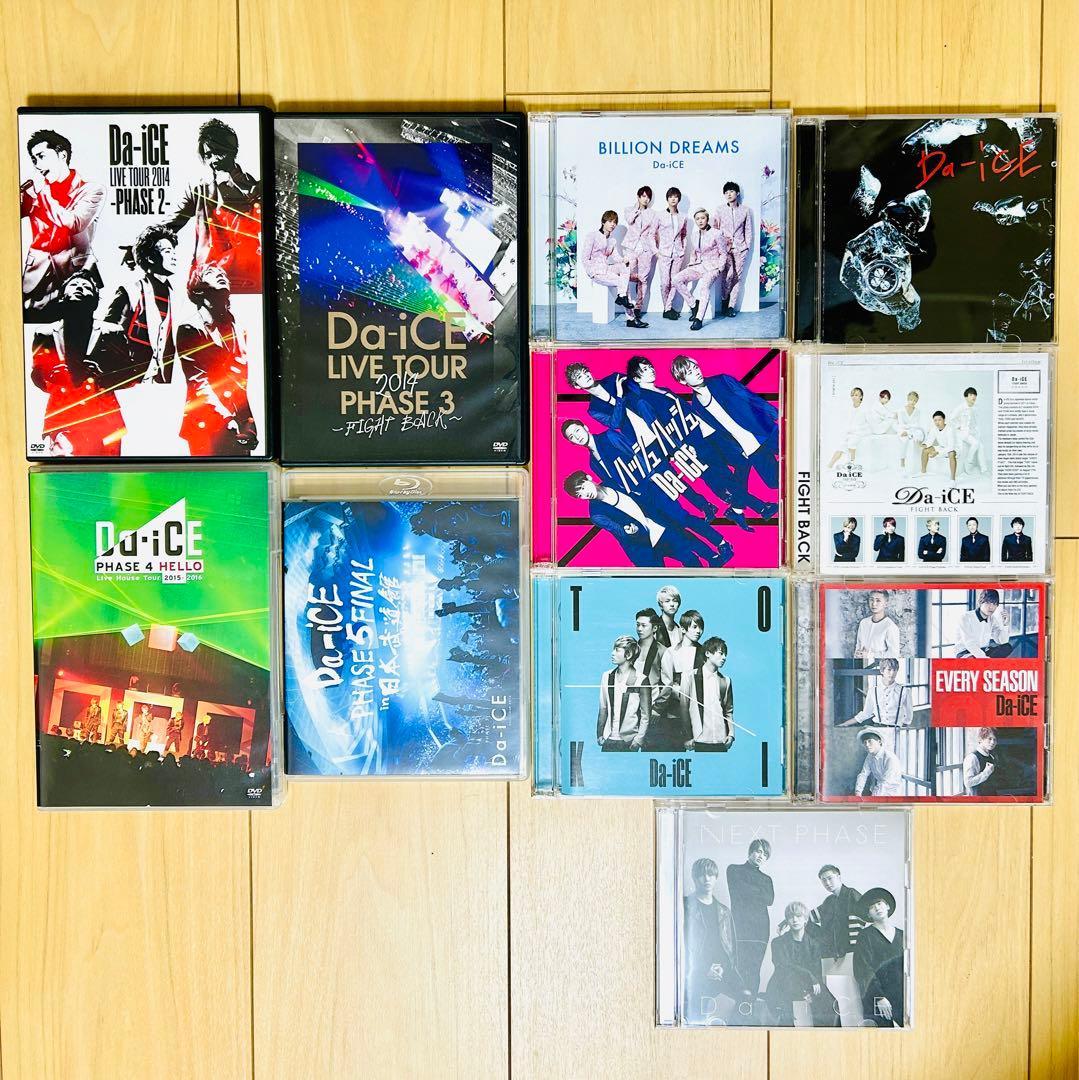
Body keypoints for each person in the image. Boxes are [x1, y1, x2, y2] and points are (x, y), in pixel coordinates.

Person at [29, 270, 125, 455]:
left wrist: (103, 374)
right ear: (63, 297)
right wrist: (50, 376)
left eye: (86, 286)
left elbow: (129, 372)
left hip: (105, 420)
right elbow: (36, 374)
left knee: (107, 470)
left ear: (95, 300)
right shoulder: (44, 333)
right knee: (66, 470)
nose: (80, 288)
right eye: (74, 285)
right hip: (62, 418)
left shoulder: (113, 331)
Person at [162, 117, 262, 292]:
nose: (213, 160)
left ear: (232, 151)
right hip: (209, 279)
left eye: (219, 152)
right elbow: (172, 223)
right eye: (208, 155)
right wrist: (143, 244)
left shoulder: (255, 187)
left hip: (247, 276)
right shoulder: (199, 190)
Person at [563, 471, 734, 568]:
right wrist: (629, 531)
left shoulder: (613, 481)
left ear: (589, 478)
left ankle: (713, 562)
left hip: (658, 527)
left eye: (583, 487)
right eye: (580, 495)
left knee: (690, 556)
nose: (585, 494)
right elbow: (618, 530)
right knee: (674, 576)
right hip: (644, 547)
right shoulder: (596, 514)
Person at [21, 128, 106, 320]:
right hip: (36, 278)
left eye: (41, 156)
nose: (37, 165)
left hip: (76, 277)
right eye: (33, 159)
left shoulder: (91, 190)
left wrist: (43, 194)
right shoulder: (32, 191)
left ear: (62, 155)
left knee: (75, 330)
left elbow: (74, 223)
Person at [176, 264, 258, 456]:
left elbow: (240, 385)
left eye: (223, 274)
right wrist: (225, 419)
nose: (221, 275)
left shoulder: (238, 329)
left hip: (237, 425)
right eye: (212, 273)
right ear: (198, 289)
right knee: (210, 474)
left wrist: (249, 424)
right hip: (207, 423)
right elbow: (198, 382)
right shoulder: (190, 328)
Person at [670, 353, 781, 491]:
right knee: (773, 481)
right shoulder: (696, 405)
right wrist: (738, 449)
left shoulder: (722, 380)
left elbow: (749, 397)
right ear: (682, 381)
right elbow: (720, 431)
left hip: (764, 430)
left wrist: (775, 414)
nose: (697, 372)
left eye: (696, 367)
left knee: (794, 455)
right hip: (748, 446)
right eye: (690, 372)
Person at [101, 223, 181, 385]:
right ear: (150, 258)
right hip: (130, 383)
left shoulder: (178, 298)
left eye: (174, 251)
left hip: (164, 385)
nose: (174, 256)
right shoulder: (129, 291)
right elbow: (108, 335)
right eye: (167, 251)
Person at [683, 857, 751, 1024]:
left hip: (723, 971)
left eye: (711, 875)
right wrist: (705, 968)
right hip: (695, 971)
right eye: (702, 875)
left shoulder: (724, 911)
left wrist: (723, 968)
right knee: (696, 1011)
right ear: (694, 878)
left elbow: (730, 949)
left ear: (716, 878)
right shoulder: (684, 906)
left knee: (746, 998)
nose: (707, 879)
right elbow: (682, 946)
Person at [765, 902, 839, 1027]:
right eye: (791, 917)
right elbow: (783, 967)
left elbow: (816, 973)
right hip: (783, 984)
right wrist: (807, 981)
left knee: (830, 1005)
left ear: (805, 920)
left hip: (808, 984)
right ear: (787, 920)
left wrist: (810, 992)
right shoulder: (778, 942)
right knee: (788, 1017)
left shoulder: (814, 945)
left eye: (798, 916)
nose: (795, 920)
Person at [809, 864, 865, 1026]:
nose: (827, 883)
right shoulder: (829, 901)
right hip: (832, 954)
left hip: (849, 953)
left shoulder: (851, 894)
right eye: (823, 880)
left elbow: (862, 920)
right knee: (838, 994)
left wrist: (851, 951)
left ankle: (856, 1027)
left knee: (850, 993)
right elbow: (807, 917)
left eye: (830, 878)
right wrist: (787, 921)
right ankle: (845, 1027)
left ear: (839, 877)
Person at [726, 839, 773, 998]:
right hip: (740, 926)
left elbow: (769, 899)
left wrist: (750, 890)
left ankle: (750, 1003)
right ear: (750, 852)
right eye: (758, 851)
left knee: (754, 968)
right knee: (739, 966)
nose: (761, 856)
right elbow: (738, 891)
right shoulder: (734, 870)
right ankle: (739, 1004)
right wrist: (758, 891)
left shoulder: (767, 878)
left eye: (765, 854)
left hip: (761, 929)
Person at [581, 211, 645, 328]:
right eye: (610, 221)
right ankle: (630, 318)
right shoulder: (592, 236)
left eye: (615, 222)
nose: (613, 224)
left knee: (624, 267)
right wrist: (591, 272)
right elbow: (584, 258)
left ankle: (622, 297)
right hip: (596, 272)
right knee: (623, 283)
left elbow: (616, 258)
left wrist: (624, 259)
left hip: (606, 268)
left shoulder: (612, 240)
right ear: (603, 222)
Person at [853, 888, 905, 1027]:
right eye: (871, 907)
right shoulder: (865, 937)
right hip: (877, 997)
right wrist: (879, 997)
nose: (877, 908)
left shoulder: (902, 935)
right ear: (868, 914)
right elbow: (863, 970)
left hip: (902, 995)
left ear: (887, 906)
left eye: (879, 903)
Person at [673, 208, 729, 331]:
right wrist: (691, 264)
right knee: (676, 279)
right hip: (698, 265)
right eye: (697, 219)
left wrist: (720, 268)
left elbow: (723, 253)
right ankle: (694, 305)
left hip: (713, 267)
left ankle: (698, 319)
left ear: (707, 219)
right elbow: (694, 252)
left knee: (704, 288)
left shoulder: (717, 233)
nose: (700, 221)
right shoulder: (694, 235)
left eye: (703, 218)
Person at [659, 610, 707, 749]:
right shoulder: (671, 651)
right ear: (683, 629)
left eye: (701, 627)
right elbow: (666, 682)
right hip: (674, 711)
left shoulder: (704, 653)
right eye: (694, 627)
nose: (699, 631)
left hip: (698, 711)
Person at [596, 636, 651, 750]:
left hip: (629, 741)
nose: (612, 653)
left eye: (617, 650)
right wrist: (600, 734)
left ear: (628, 654)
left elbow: (645, 715)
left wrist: (638, 740)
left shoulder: (641, 679)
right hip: (608, 739)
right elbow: (603, 708)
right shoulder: (606, 676)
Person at [681, 637, 734, 751]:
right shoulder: (689, 676)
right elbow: (684, 708)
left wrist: (731, 735)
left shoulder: (726, 681)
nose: (724, 657)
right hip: (699, 740)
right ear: (708, 653)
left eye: (725, 654)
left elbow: (728, 711)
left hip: (721, 740)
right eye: (721, 653)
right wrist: (687, 736)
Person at [713, 181, 752, 317]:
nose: (728, 194)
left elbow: (748, 230)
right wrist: (719, 246)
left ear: (737, 193)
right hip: (725, 248)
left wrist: (747, 246)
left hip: (741, 248)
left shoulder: (745, 210)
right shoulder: (720, 210)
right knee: (728, 276)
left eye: (731, 191)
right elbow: (715, 229)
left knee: (737, 277)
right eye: (726, 192)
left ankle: (731, 306)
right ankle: (724, 300)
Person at [839, 658, 913, 729]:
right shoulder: (873, 691)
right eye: (889, 670)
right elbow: (866, 713)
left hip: (896, 729)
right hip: (878, 729)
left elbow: (908, 716)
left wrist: (902, 730)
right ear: (882, 671)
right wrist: (845, 724)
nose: (892, 673)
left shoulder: (904, 691)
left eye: (895, 670)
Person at [622, 185, 659, 313]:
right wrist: (637, 209)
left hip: (646, 249)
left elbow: (653, 233)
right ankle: (627, 303)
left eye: (648, 197)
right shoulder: (629, 210)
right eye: (643, 196)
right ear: (638, 197)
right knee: (626, 274)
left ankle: (638, 307)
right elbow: (629, 220)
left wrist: (654, 249)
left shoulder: (653, 214)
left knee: (643, 279)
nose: (646, 199)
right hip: (631, 247)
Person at [657, 187, 688, 319]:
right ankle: (667, 308)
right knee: (665, 283)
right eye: (670, 196)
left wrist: (683, 249)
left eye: (675, 196)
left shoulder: (683, 217)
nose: (673, 199)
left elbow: (684, 234)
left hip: (678, 254)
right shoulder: (660, 215)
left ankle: (668, 309)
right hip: (664, 253)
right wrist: (656, 251)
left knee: (675, 281)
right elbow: (652, 234)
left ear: (678, 199)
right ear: (667, 199)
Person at [955, 589, 1012, 658]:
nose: (991, 607)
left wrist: (1005, 624)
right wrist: (984, 658)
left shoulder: (992, 619)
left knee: (1007, 647)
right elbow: (969, 643)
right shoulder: (966, 617)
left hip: (984, 650)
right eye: (988, 603)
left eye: (994, 604)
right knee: (972, 658)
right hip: (965, 652)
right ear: (980, 602)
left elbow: (1002, 641)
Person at [827, 387, 871, 468]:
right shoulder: (850, 408)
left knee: (851, 443)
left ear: (861, 396)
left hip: (859, 433)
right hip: (849, 433)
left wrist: (858, 430)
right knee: (840, 446)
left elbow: (869, 423)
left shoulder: (865, 409)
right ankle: (829, 465)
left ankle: (852, 464)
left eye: (856, 395)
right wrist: (847, 431)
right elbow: (847, 422)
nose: (854, 397)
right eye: (852, 395)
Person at [949, 386, 987, 476]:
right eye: (971, 395)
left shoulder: (976, 408)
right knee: (976, 443)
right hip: (963, 433)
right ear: (966, 397)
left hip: (972, 432)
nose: (973, 396)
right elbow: (951, 418)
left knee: (981, 446)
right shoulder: (961, 407)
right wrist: (959, 426)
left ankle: (984, 469)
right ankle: (968, 463)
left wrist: (977, 432)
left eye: (975, 395)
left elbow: (976, 422)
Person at [853, 590, 901, 661]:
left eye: (878, 600)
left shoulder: (890, 626)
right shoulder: (863, 623)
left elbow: (894, 654)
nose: (874, 604)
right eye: (871, 600)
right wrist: (857, 654)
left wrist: (870, 655)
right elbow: (858, 646)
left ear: (886, 604)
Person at [853, 730, 904, 796]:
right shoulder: (870, 756)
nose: (867, 745)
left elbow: (885, 782)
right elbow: (863, 774)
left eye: (870, 741)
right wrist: (858, 792)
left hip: (893, 793)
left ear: (879, 742)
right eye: (865, 742)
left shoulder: (890, 758)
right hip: (879, 790)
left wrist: (874, 797)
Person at [963, 727, 1001, 796]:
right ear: (981, 739)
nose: (992, 742)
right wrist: (986, 773)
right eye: (989, 739)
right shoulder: (972, 758)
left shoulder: (991, 757)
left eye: (995, 739)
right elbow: (968, 782)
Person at [920, 410, 957, 480]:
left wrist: (937, 452)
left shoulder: (950, 429)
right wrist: (925, 445)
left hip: (953, 449)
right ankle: (923, 472)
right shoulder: (934, 429)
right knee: (925, 450)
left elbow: (951, 447)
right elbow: (930, 440)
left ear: (944, 420)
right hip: (942, 447)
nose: (937, 422)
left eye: (939, 420)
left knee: (951, 453)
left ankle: (952, 479)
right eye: (935, 420)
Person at [895, 390, 926, 470]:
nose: (913, 402)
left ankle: (917, 459)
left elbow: (916, 424)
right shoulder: (901, 410)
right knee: (904, 439)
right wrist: (907, 429)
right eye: (911, 399)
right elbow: (901, 424)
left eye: (915, 401)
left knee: (920, 433)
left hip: (912, 430)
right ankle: (902, 462)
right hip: (902, 429)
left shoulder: (917, 411)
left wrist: (908, 431)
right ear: (908, 399)